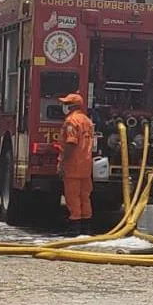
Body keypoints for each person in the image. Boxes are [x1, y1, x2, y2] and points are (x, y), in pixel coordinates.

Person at [57, 92, 95, 236]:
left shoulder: (71, 121)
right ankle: (86, 227)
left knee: (72, 198)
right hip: (86, 166)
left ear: (71, 106)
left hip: (73, 166)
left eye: (66, 104)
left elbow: (71, 143)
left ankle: (75, 228)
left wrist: (62, 162)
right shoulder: (87, 121)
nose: (63, 106)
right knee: (85, 197)